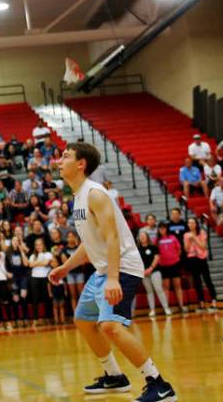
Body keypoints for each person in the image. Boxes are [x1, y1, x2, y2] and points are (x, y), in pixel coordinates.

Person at [49, 143, 178, 402]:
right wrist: (66, 267)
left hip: (123, 267)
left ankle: (159, 385)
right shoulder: (79, 197)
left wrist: (112, 278)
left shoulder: (96, 194)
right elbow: (91, 242)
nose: (59, 160)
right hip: (103, 270)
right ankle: (115, 376)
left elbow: (112, 238)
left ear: (81, 164)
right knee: (84, 321)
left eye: (66, 156)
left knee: (110, 326)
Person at [183, 218, 217, 313]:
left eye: (193, 222)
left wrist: (194, 238)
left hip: (202, 258)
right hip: (192, 259)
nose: (191, 224)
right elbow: (186, 250)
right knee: (197, 282)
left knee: (207, 280)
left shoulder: (201, 232)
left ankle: (214, 303)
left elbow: (203, 246)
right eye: (189, 223)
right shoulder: (186, 235)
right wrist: (189, 241)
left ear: (196, 224)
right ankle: (201, 304)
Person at [137, 231, 171, 318]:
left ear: (147, 237)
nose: (142, 237)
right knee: (149, 291)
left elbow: (157, 258)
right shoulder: (137, 249)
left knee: (158, 289)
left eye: (143, 236)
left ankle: (166, 308)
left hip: (155, 271)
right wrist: (142, 271)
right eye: (140, 236)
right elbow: (136, 261)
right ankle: (152, 310)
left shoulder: (153, 247)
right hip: (143, 273)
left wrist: (151, 268)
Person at [156, 223, 187, 314]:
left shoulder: (173, 238)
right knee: (166, 287)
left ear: (166, 229)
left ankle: (181, 306)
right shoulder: (156, 240)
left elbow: (179, 249)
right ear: (159, 230)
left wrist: (176, 257)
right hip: (163, 266)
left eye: (164, 228)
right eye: (161, 228)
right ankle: (167, 308)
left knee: (178, 286)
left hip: (175, 265)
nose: (162, 230)